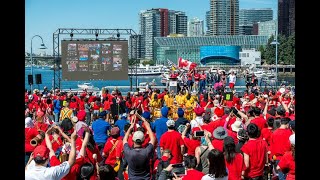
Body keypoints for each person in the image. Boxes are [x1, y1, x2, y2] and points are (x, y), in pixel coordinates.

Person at [123, 114, 156, 180]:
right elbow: (153, 139)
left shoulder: (129, 152)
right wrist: (148, 127)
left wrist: (130, 128)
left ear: (133, 140)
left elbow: (124, 140)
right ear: (143, 140)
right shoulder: (146, 151)